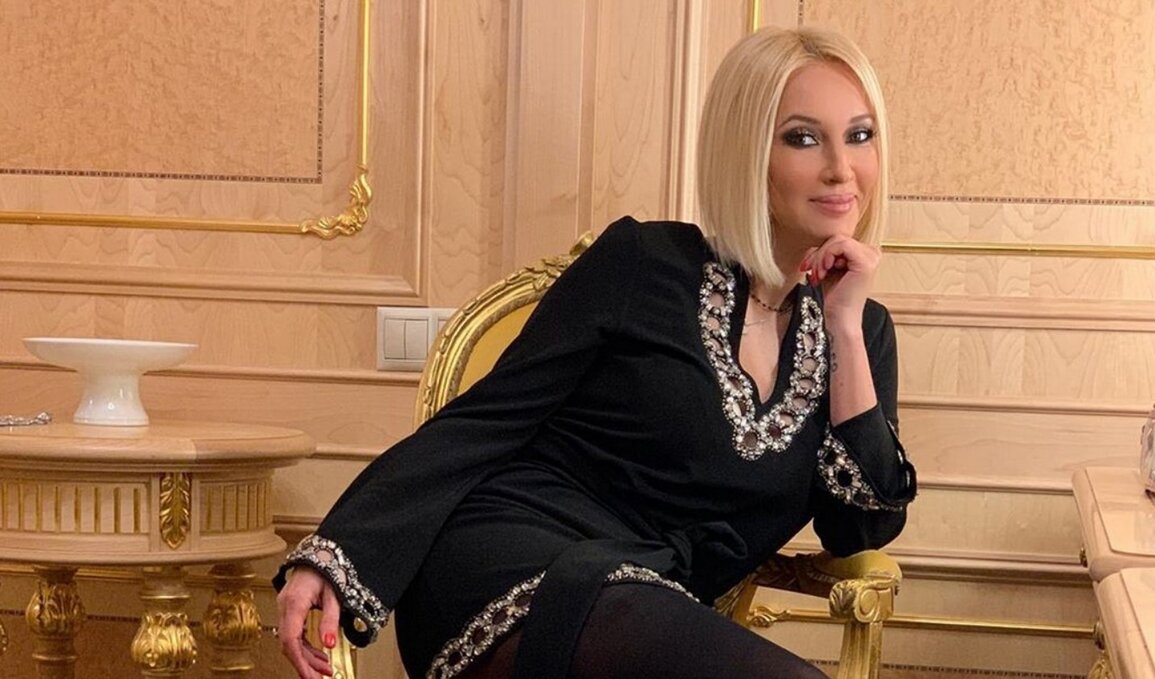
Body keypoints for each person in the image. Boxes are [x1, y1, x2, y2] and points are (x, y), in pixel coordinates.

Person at [275, 25, 916, 679]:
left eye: (860, 135)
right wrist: (337, 552)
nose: (841, 168)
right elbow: (487, 420)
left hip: (653, 607)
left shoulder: (861, 333)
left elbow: (858, 530)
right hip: (510, 562)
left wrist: (842, 325)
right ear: (747, 151)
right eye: (803, 138)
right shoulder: (644, 262)